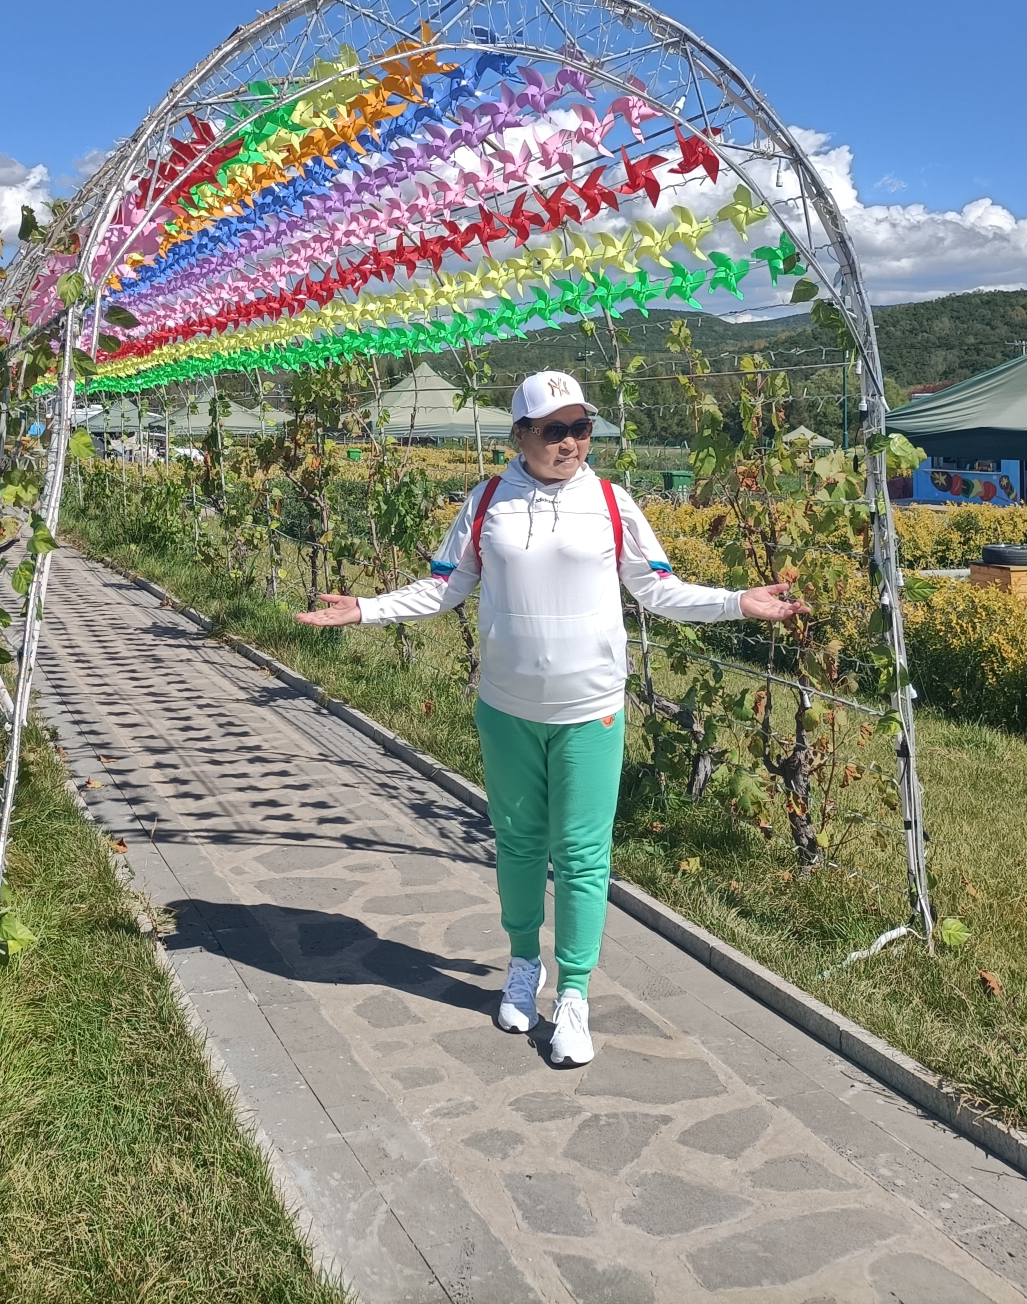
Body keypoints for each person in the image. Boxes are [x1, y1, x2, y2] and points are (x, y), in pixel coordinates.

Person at [297, 369, 808, 1067]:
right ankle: (520, 964)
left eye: (580, 428)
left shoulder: (610, 500)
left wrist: (733, 602)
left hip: (589, 708)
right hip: (507, 709)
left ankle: (573, 994)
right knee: (517, 843)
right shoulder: (486, 502)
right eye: (554, 429)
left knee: (582, 854)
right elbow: (443, 587)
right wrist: (366, 609)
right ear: (521, 435)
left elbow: (656, 588)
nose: (570, 442)